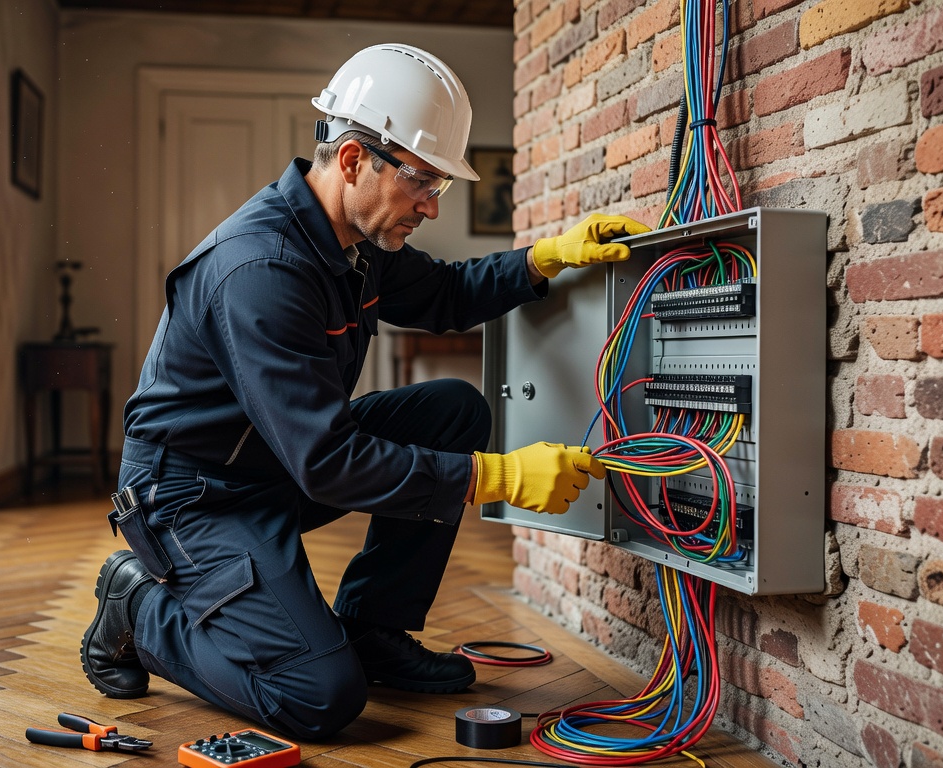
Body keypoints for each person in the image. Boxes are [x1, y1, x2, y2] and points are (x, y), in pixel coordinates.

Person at [80, 43, 649, 741]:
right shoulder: (259, 271)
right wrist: (495, 478)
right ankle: (138, 609)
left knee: (451, 411)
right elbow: (328, 461)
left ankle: (374, 629)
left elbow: (444, 293)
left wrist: (545, 258)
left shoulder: (353, 244)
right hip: (191, 499)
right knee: (319, 695)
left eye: (439, 187)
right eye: (422, 184)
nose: (431, 207)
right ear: (354, 160)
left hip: (270, 465)